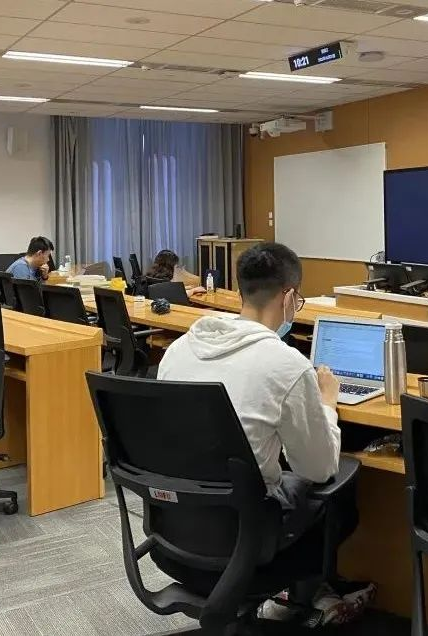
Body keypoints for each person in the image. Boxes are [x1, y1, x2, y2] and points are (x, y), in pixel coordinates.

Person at [157, 242, 366, 625]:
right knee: (341, 488)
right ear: (288, 298)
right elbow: (319, 469)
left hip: (170, 532)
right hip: (244, 540)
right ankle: (303, 598)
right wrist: (327, 405)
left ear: (242, 290)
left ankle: (297, 597)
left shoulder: (177, 350)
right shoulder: (286, 364)